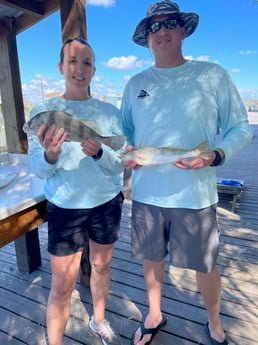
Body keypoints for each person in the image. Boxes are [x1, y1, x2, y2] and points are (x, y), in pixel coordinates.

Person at [120, 2, 253, 345]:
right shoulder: (135, 83)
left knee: (205, 264)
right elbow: (125, 133)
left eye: (170, 23)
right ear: (146, 37)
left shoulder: (212, 74)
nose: (161, 30)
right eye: (154, 26)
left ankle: (214, 321)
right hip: (147, 192)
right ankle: (154, 313)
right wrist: (128, 154)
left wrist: (216, 155)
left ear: (183, 30)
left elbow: (240, 127)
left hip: (195, 194)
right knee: (151, 258)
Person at [25, 37, 124, 345]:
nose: (80, 69)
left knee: (101, 266)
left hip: (107, 202)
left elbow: (120, 163)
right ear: (60, 67)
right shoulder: (44, 111)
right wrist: (50, 154)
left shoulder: (109, 112)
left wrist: (99, 152)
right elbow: (38, 168)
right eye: (73, 61)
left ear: (94, 70)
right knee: (62, 284)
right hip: (65, 208)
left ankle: (98, 319)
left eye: (87, 63)